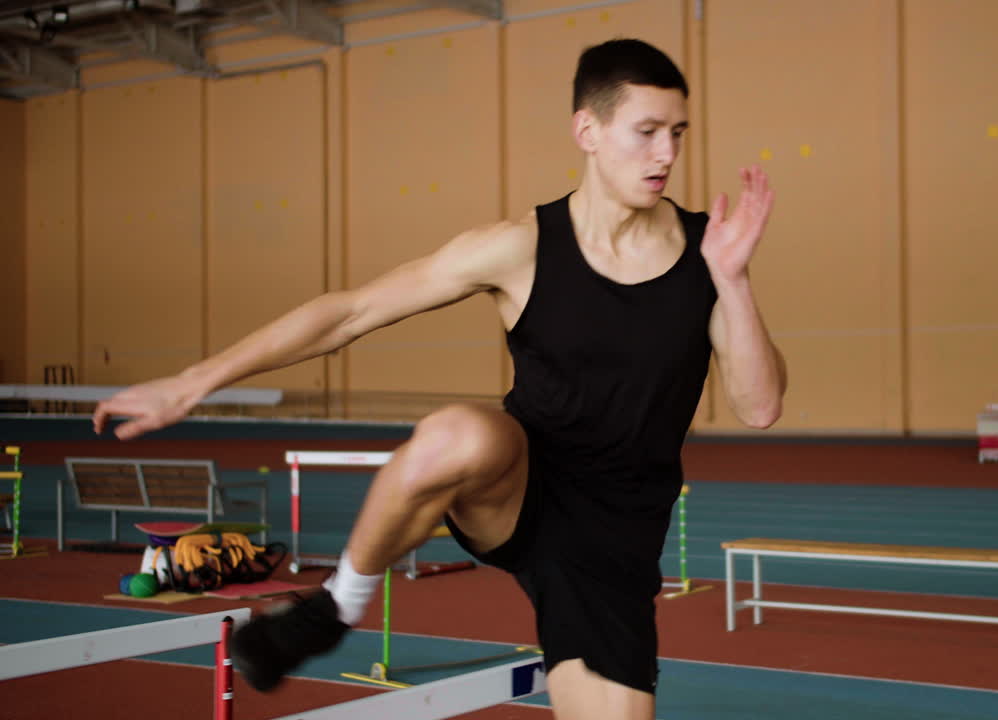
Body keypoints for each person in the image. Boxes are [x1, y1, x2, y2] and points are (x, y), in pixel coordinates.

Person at [92, 38, 786, 719]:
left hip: (616, 540)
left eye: (677, 133)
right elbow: (350, 313)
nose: (666, 154)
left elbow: (759, 407)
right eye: (647, 132)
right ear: (588, 131)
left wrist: (733, 280)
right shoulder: (520, 247)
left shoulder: (706, 252)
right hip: (518, 486)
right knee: (459, 434)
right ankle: (334, 608)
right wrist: (195, 380)